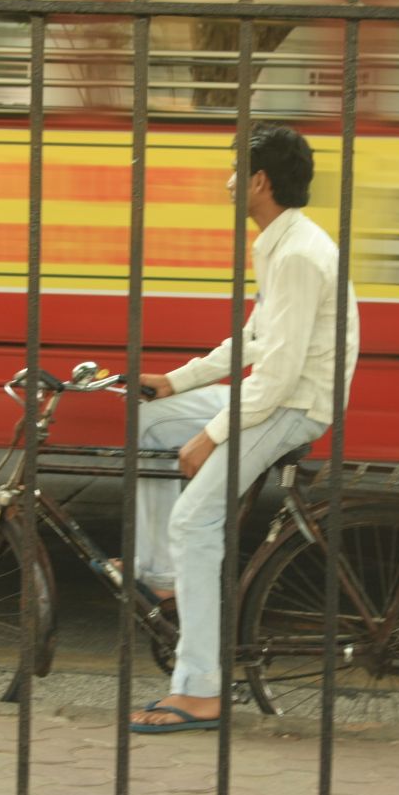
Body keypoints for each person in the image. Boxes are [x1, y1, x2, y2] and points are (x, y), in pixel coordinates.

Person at [128, 123, 360, 733]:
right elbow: (254, 341)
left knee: (194, 520)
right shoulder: (281, 243)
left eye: (237, 171)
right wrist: (176, 383)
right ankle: (166, 581)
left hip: (293, 407)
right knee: (151, 418)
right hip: (274, 395)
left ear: (259, 182)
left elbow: (277, 376)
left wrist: (213, 434)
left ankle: (202, 689)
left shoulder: (301, 256)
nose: (229, 181)